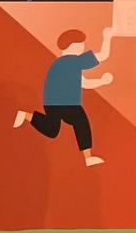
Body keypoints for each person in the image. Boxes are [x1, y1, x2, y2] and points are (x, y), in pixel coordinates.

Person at [13, 28, 113, 167]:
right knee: (81, 123)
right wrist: (107, 37)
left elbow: (84, 83)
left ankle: (26, 115)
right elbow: (102, 56)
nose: (83, 48)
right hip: (67, 103)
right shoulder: (72, 61)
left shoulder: (63, 64)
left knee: (52, 129)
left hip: (52, 103)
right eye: (81, 44)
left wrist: (102, 81)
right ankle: (88, 156)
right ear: (73, 46)